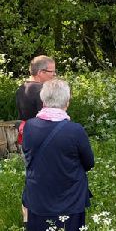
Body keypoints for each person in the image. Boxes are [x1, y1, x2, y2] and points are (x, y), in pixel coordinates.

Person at [22, 79, 94, 230]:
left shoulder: (29, 126)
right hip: (70, 199)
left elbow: (28, 156)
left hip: (38, 198)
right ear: (67, 102)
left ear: (43, 101)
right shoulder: (75, 130)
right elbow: (89, 163)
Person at [15, 55, 56, 227]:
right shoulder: (41, 91)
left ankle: (27, 216)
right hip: (42, 140)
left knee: (31, 176)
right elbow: (48, 119)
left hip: (26, 138)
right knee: (46, 179)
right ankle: (44, 217)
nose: (54, 75)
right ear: (40, 72)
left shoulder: (21, 88)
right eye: (52, 72)